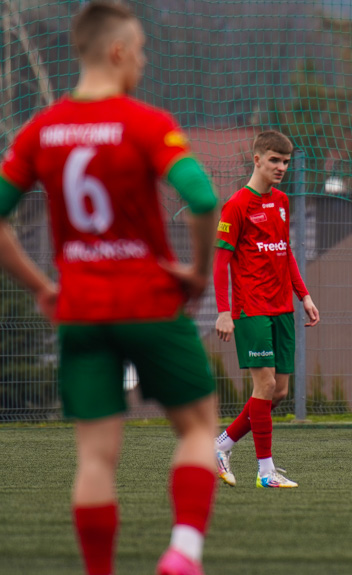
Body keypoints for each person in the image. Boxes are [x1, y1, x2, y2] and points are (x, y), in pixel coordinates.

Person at [0, 2, 220, 574]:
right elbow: (200, 199)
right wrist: (196, 272)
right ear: (118, 50)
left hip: (81, 308)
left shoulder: (39, 132)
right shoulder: (146, 122)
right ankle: (183, 552)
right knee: (197, 426)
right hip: (148, 300)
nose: (143, 62)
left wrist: (41, 286)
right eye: (141, 50)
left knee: (95, 456)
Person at [212, 130, 320, 488]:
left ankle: (222, 445)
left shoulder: (283, 201)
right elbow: (220, 262)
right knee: (266, 383)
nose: (281, 167)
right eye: (274, 160)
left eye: (286, 161)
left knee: (279, 392)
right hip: (251, 309)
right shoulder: (236, 205)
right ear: (257, 159)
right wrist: (224, 311)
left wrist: (303, 295)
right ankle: (265, 471)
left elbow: (284, 250)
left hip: (281, 308)